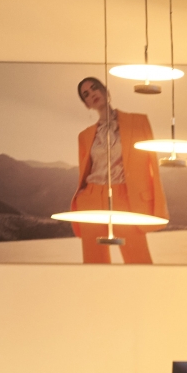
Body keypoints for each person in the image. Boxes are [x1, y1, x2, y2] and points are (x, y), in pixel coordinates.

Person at [69, 77, 167, 264]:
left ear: (105, 90)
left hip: (125, 196)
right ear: (87, 104)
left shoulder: (138, 122)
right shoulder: (84, 136)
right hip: (90, 199)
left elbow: (152, 164)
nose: (92, 94)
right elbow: (85, 172)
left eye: (95, 88)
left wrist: (155, 203)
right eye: (86, 94)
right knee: (94, 264)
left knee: (139, 262)